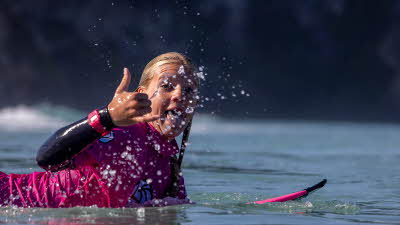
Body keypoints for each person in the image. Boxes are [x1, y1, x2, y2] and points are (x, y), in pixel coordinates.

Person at [0, 52, 199, 208]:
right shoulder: (126, 134)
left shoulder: (169, 164)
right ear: (141, 96)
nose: (179, 95)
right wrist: (107, 117)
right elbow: (46, 158)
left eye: (189, 90)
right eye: (167, 86)